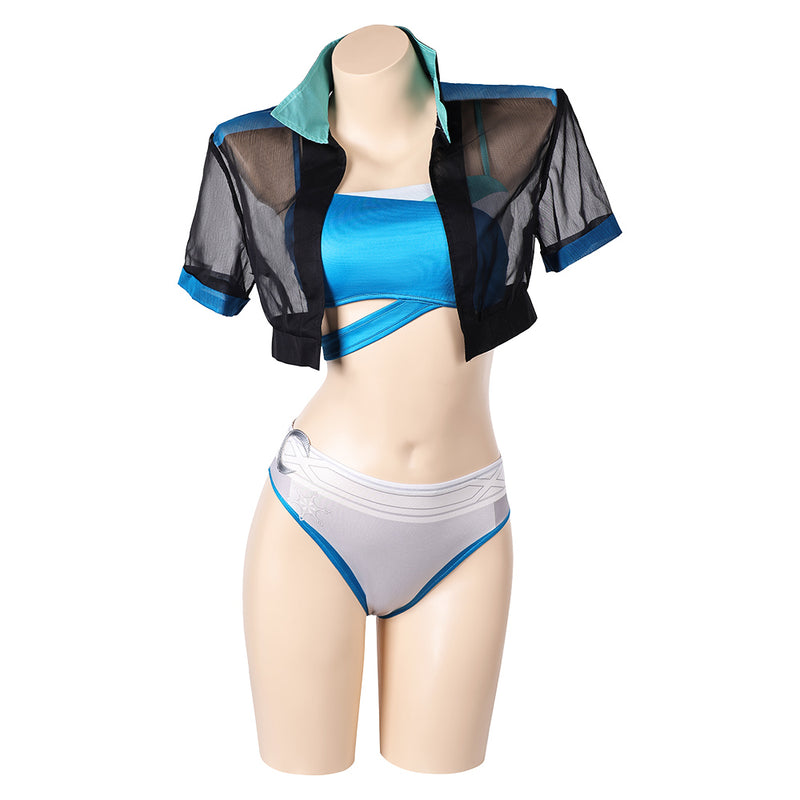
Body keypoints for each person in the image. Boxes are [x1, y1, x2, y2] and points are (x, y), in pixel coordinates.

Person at [178, 23, 622, 775]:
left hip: (467, 519)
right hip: (317, 515)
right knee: (302, 781)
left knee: (444, 780)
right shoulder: (252, 150)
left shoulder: (521, 127)